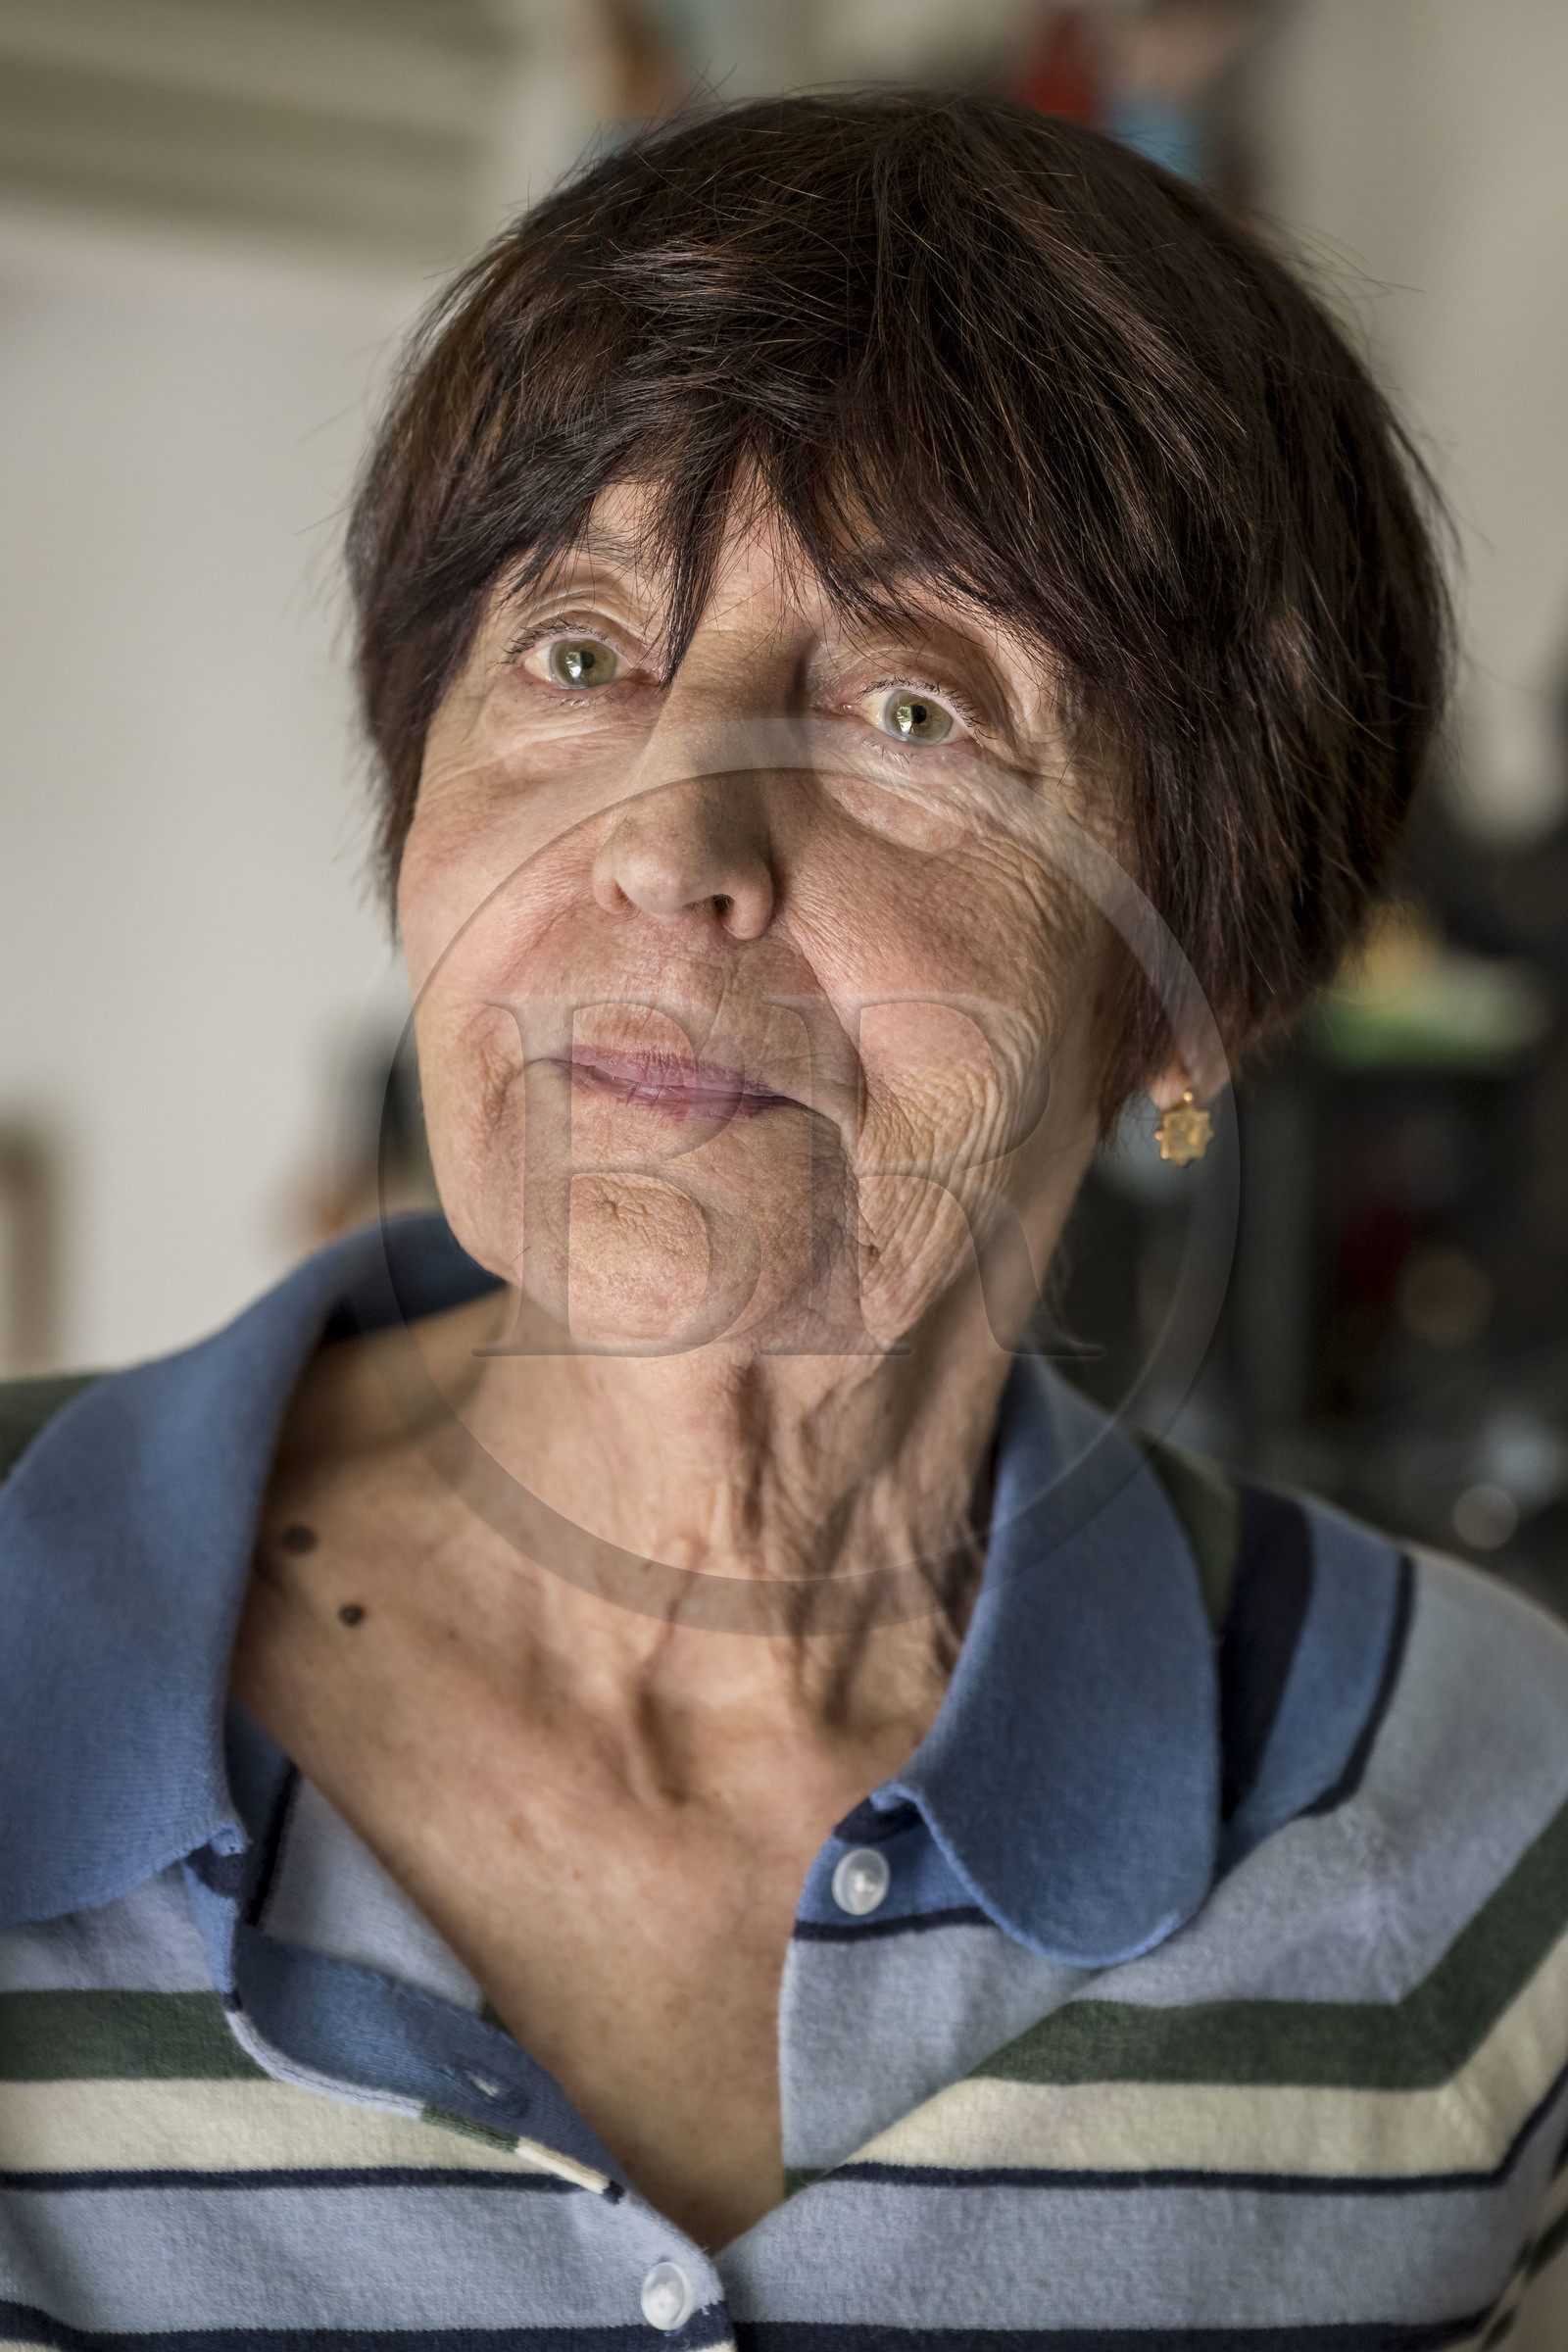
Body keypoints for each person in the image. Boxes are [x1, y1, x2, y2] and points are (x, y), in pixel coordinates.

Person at [1, 89, 1564, 2351]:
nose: (665, 841)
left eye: (915, 709)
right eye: (574, 656)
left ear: (1196, 988)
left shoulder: (1494, 1833)